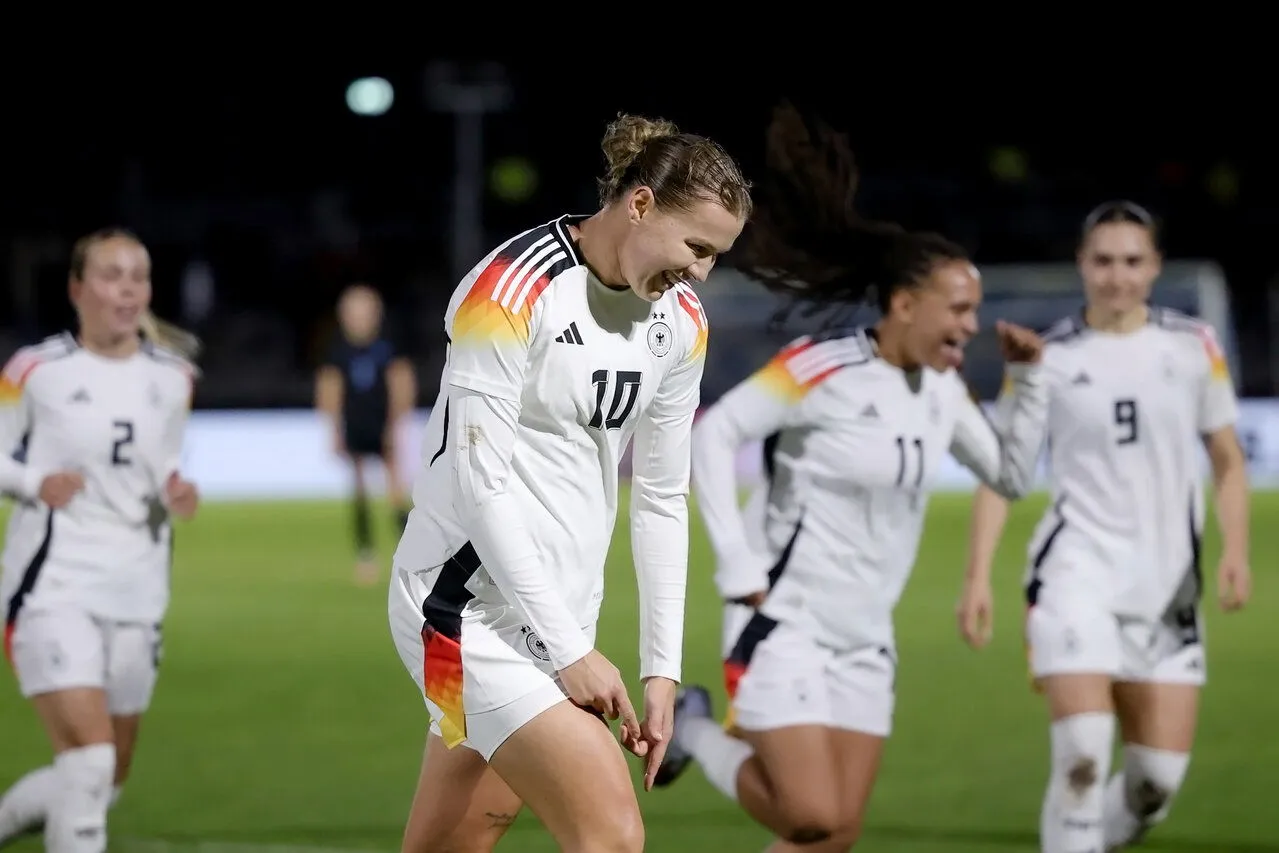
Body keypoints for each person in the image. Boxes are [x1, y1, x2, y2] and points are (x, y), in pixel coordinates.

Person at [652, 102, 1050, 853]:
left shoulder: (943, 391)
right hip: (784, 623)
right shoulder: (823, 366)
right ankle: (696, 730)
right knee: (809, 815)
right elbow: (716, 432)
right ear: (904, 304)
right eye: (958, 309)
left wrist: (1026, 386)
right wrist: (735, 562)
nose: (971, 325)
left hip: (866, 636)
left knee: (834, 838)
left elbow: (1007, 474)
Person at [385, 112, 752, 853]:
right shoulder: (510, 290)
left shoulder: (681, 323)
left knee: (454, 842)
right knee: (610, 833)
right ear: (641, 204)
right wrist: (567, 652)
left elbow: (660, 497)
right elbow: (479, 484)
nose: (701, 273)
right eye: (697, 247)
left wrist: (661, 670)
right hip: (459, 620)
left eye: (716, 256)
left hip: (557, 621)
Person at [958, 201, 1252, 853]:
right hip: (1076, 575)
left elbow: (1227, 459)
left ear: (1154, 267)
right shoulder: (1046, 356)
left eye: (1131, 261)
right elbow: (1002, 471)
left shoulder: (1194, 345)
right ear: (1081, 265)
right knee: (1082, 759)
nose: (1117, 275)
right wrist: (977, 576)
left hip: (1168, 588)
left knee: (1153, 785)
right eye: (1103, 261)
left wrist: (1235, 548)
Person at [0, 227, 201, 853]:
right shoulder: (35, 370)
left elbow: (162, 464)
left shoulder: (174, 376)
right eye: (112, 276)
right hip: (52, 586)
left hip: (138, 591)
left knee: (104, 778)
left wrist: (174, 490)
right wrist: (33, 482)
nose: (128, 290)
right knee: (87, 764)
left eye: (138, 277)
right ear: (77, 289)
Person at [315, 283, 417, 584]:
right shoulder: (338, 351)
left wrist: (396, 424)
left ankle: (412, 554)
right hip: (355, 424)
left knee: (396, 490)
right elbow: (329, 388)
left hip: (382, 423)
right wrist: (333, 428)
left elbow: (401, 383)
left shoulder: (387, 347)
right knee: (359, 489)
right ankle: (366, 553)